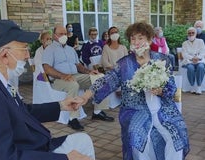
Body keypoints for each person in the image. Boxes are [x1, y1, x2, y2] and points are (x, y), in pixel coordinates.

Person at [0, 20, 95, 160]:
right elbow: (1, 157)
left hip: (30, 147)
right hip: (27, 151)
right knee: (82, 145)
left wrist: (61, 106)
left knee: (83, 140)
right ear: (4, 54)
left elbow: (21, 111)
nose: (28, 56)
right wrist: (65, 159)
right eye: (24, 48)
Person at [80, 22, 190, 160]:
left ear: (149, 40)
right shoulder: (124, 63)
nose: (136, 42)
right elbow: (108, 80)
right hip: (135, 110)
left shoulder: (162, 59)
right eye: (133, 38)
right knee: (136, 134)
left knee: (176, 133)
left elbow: (172, 88)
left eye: (140, 38)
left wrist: (161, 90)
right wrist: (86, 95)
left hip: (163, 108)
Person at [42, 24, 114, 131]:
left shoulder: (71, 49)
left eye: (65, 34)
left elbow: (78, 66)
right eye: (61, 34)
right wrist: (63, 75)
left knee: (100, 78)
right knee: (73, 85)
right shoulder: (49, 49)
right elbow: (47, 68)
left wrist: (90, 71)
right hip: (58, 79)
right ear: (54, 35)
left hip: (75, 75)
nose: (64, 36)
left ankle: (97, 112)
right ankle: (73, 118)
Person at [181, 27, 205, 95]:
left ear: (195, 34)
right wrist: (192, 58)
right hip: (189, 61)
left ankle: (199, 87)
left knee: (201, 67)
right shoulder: (184, 43)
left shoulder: (200, 41)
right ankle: (192, 86)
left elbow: (203, 52)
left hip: (199, 60)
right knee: (190, 68)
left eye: (192, 33)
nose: (191, 34)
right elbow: (184, 54)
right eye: (189, 33)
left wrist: (198, 58)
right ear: (187, 34)